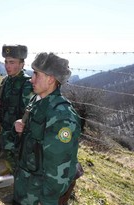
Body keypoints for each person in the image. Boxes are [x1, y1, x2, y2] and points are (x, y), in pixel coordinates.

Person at [13, 52, 82, 205]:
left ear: (50, 79)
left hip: (38, 195)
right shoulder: (37, 101)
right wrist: (21, 126)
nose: (32, 79)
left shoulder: (61, 116)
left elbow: (57, 169)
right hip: (25, 185)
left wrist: (47, 201)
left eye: (36, 75)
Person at [0, 44, 33, 173]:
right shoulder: (6, 81)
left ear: (22, 64)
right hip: (4, 131)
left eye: (12, 62)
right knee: (5, 161)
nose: (7, 66)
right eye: (6, 62)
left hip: (17, 136)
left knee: (16, 165)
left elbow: (30, 112)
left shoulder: (28, 84)